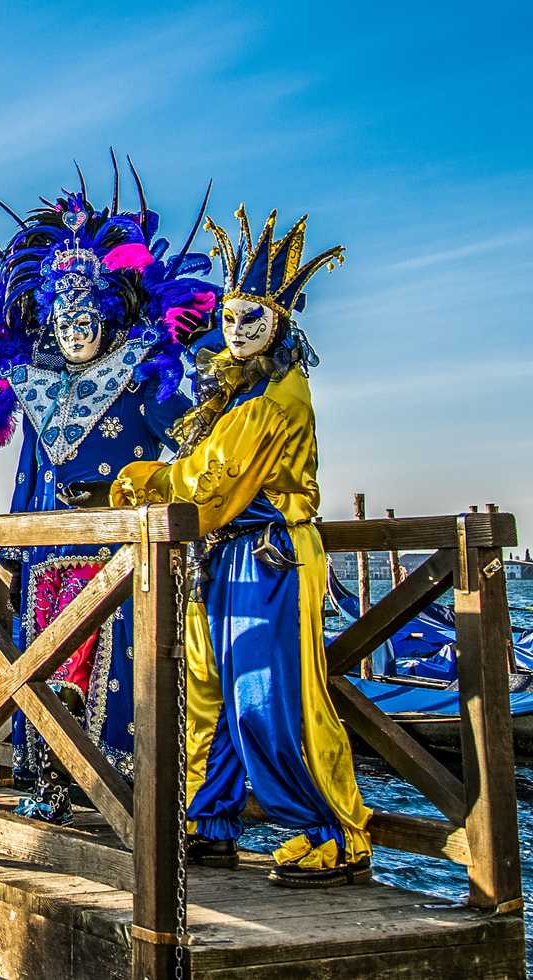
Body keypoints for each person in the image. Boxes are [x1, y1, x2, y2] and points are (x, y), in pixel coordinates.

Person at [110, 206, 372, 888]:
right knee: (209, 695)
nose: (236, 329)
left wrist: (138, 481)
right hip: (221, 556)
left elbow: (211, 483)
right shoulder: (236, 389)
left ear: (279, 323)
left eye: (252, 317)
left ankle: (333, 833)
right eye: (228, 317)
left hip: (269, 556)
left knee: (273, 697)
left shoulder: (275, 398)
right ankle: (210, 820)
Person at [0, 170, 218, 824]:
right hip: (46, 555)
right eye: (64, 322)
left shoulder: (138, 379)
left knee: (106, 672)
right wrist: (15, 543)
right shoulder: (38, 388)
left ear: (107, 318)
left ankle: (121, 793)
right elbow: (28, 475)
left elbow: (191, 440)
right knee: (40, 667)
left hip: (117, 556)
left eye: (86, 320)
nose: (74, 332)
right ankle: (49, 786)